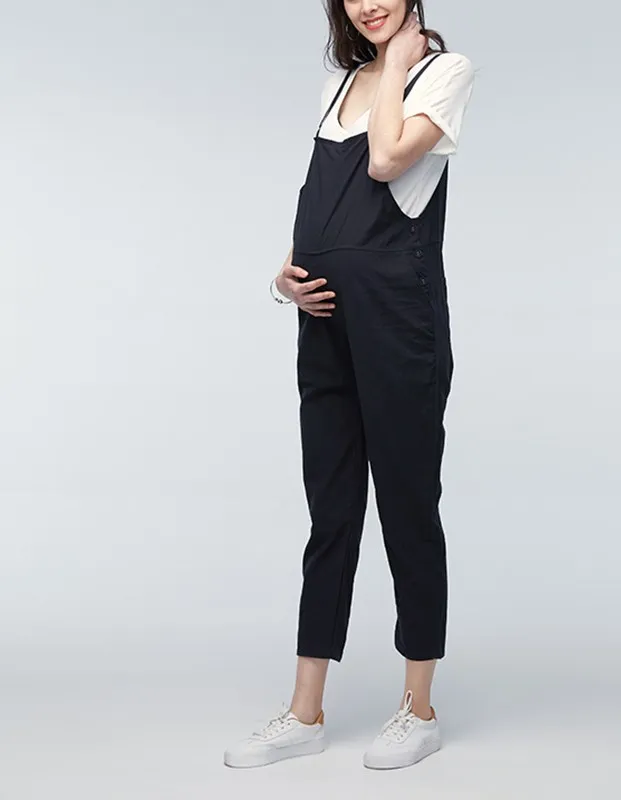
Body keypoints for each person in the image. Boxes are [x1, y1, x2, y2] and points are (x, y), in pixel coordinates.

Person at [224, 0, 474, 771]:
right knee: (330, 510)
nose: (369, 4)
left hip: (399, 319)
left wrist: (396, 65)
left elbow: (387, 161)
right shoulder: (340, 85)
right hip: (326, 323)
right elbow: (319, 210)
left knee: (407, 505)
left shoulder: (442, 72)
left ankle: (419, 710)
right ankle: (306, 712)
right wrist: (285, 280)